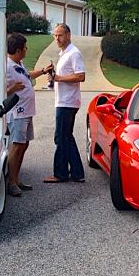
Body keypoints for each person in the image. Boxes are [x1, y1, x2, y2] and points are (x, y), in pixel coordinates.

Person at [5, 33, 53, 196]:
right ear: (18, 50)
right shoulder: (6, 67)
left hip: (27, 111)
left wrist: (43, 71)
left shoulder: (18, 63)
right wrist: (11, 90)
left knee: (24, 145)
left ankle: (16, 179)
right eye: (25, 47)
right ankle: (11, 183)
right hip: (17, 113)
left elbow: (28, 75)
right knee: (16, 146)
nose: (27, 49)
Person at [43, 23, 86, 183]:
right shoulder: (64, 53)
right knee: (66, 137)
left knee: (60, 137)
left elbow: (80, 76)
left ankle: (60, 174)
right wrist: (54, 78)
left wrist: (58, 78)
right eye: (55, 35)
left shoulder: (74, 53)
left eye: (60, 35)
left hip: (67, 102)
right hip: (64, 100)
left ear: (68, 35)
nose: (57, 38)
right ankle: (77, 173)